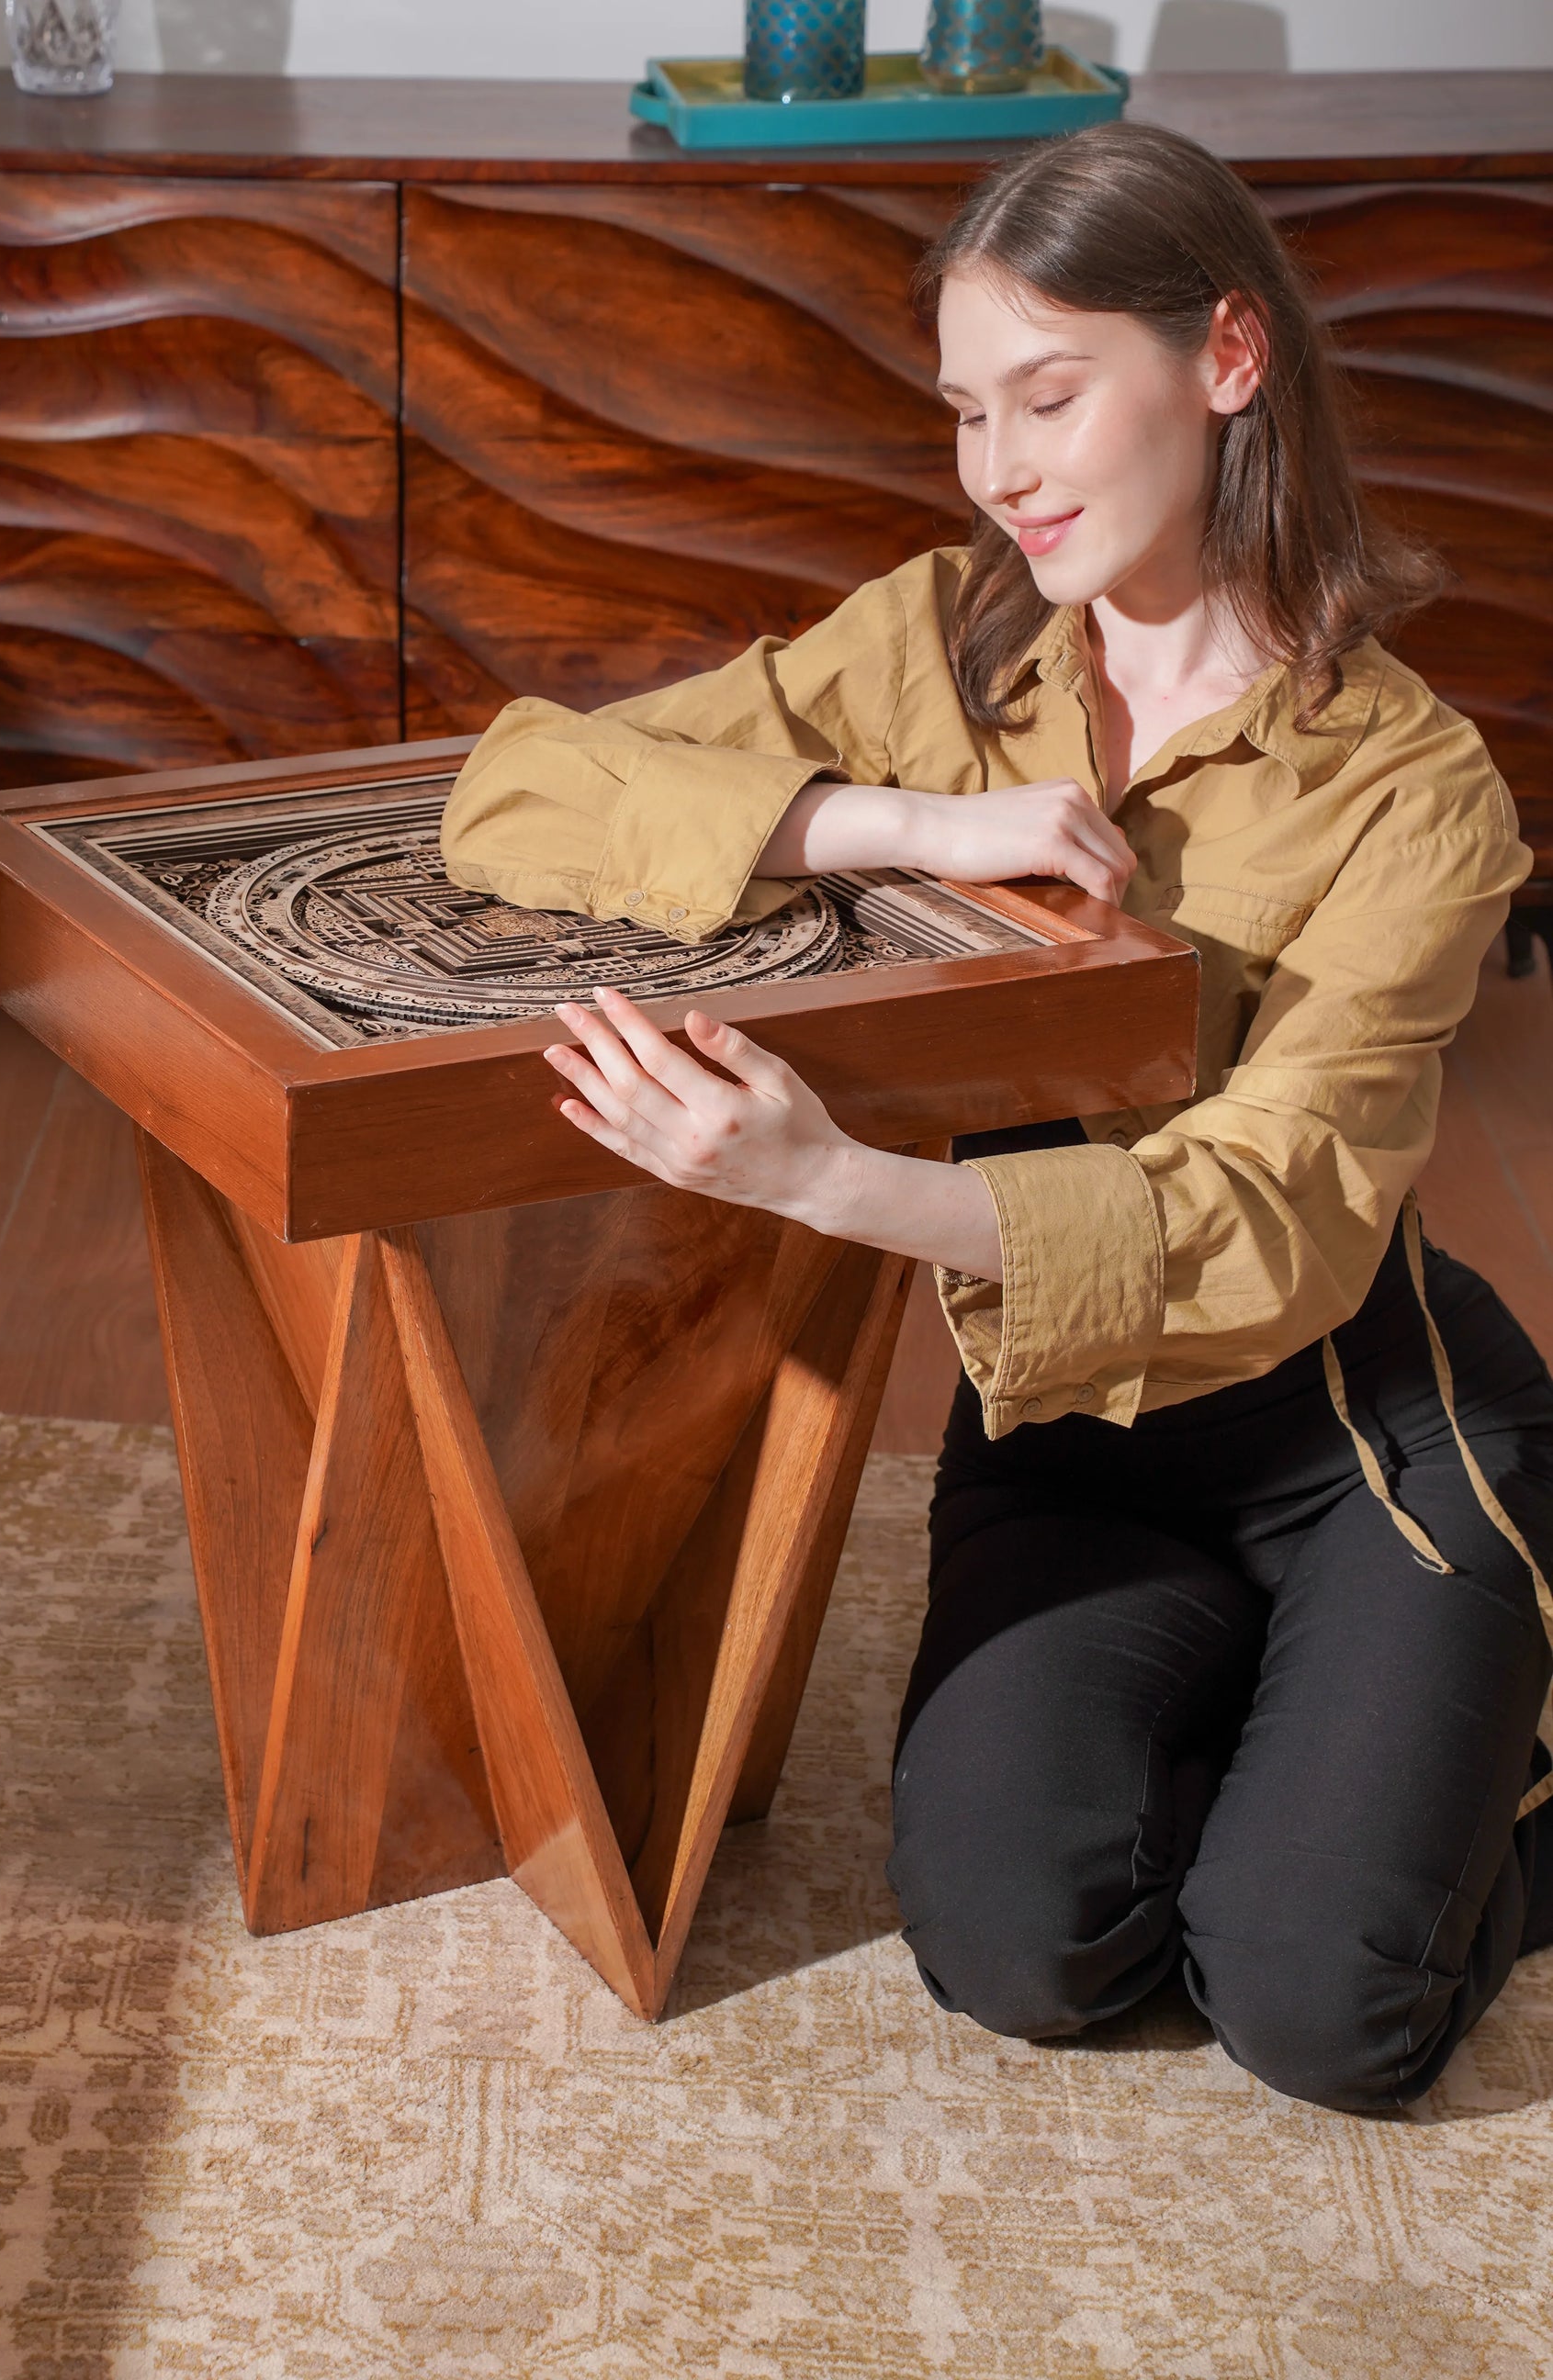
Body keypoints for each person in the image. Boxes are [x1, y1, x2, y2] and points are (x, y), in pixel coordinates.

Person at [438, 121, 1553, 2113]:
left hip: (1358, 1440)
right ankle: (1329, 1750)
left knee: (1318, 2009)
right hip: (1062, 1447)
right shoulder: (942, 646)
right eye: (966, 412)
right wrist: (896, 821)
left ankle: (1447, 1748)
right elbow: (515, 792)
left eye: (1048, 396)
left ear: (1226, 358)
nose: (999, 468)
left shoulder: (1416, 788)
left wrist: (829, 1183)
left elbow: (1277, 1213)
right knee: (1025, 1951)